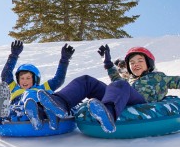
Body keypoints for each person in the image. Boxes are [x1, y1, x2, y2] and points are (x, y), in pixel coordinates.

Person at [36, 45, 180, 133]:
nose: (135, 64)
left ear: (149, 63)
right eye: (131, 62)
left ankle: (108, 114)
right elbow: (117, 83)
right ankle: (58, 103)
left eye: (140, 61)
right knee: (87, 80)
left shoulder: (160, 77)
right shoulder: (129, 80)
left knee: (120, 84)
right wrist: (108, 63)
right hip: (123, 96)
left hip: (142, 102)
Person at [0, 40, 75, 130]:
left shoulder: (42, 88)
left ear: (35, 79)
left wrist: (64, 60)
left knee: (45, 96)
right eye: (22, 78)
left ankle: (43, 115)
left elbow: (58, 79)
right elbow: (6, 74)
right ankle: (35, 115)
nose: (25, 81)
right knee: (26, 98)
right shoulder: (14, 88)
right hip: (19, 109)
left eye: (28, 78)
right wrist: (13, 55)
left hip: (39, 107)